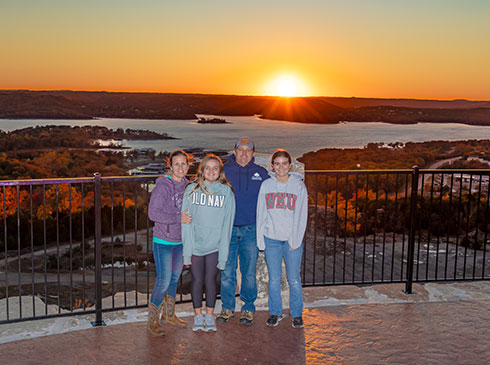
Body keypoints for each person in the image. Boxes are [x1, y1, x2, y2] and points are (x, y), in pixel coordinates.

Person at [217, 137, 269, 326]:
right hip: (228, 231)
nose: (244, 154)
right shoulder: (224, 170)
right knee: (227, 272)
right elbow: (206, 187)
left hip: (250, 230)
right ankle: (228, 307)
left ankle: (248, 308)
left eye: (248, 150)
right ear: (235, 151)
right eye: (241, 150)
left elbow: (274, 191)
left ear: (253, 153)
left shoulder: (261, 173)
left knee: (248, 273)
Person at [181, 154, 235, 332]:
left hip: (215, 247)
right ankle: (198, 316)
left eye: (215, 168)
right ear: (202, 170)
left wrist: (223, 254)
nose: (211, 171)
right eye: (208, 168)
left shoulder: (227, 192)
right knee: (196, 281)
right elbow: (186, 224)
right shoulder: (191, 190)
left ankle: (210, 316)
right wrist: (187, 252)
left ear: (220, 172)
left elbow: (227, 226)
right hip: (196, 246)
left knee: (211, 280)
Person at [256, 149, 308, 329]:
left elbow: (302, 215)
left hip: (291, 240)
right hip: (271, 239)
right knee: (274, 278)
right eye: (277, 163)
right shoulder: (266, 186)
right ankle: (275, 312)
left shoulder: (298, 186)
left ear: (290, 165)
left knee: (294, 279)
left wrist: (296, 239)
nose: (281, 167)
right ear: (272, 166)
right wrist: (260, 239)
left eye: (284, 163)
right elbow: (261, 213)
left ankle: (297, 314)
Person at [147, 150, 192, 336]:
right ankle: (152, 321)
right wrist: (178, 218)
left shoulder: (189, 186)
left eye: (184, 164)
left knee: (174, 278)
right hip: (163, 241)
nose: (180, 167)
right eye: (177, 164)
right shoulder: (163, 187)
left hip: (180, 241)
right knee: (163, 280)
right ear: (170, 166)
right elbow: (153, 214)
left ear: (188, 166)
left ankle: (169, 314)